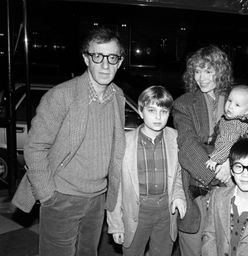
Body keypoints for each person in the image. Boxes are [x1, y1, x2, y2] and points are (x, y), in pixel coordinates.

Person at [12, 27, 126, 256]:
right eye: (98, 56)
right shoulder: (61, 96)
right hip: (61, 198)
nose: (105, 65)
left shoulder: (118, 96)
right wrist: (48, 196)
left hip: (96, 200)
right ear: (86, 58)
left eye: (112, 58)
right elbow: (34, 147)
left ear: (119, 62)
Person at [106, 86, 186, 256]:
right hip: (135, 211)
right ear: (141, 112)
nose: (158, 117)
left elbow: (179, 174)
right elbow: (115, 186)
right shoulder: (124, 143)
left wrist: (178, 196)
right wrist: (115, 224)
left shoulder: (176, 138)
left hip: (166, 212)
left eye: (163, 111)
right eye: (151, 110)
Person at [172, 45, 234, 256]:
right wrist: (222, 174)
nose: (202, 77)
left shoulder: (238, 99)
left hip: (229, 197)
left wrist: (232, 164)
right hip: (195, 194)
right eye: (197, 71)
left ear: (220, 71)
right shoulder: (184, 104)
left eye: (208, 70)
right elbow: (188, 148)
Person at [205, 85, 248, 171]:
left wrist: (215, 159)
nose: (230, 106)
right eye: (230, 101)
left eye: (237, 105)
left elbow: (227, 143)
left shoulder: (232, 125)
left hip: (228, 155)